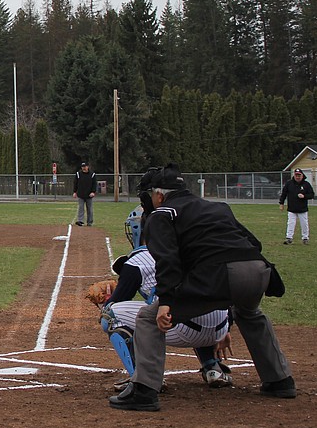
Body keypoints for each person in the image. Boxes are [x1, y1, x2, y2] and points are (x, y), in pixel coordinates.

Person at [109, 164, 295, 412]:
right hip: (258, 271)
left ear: (160, 195)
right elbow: (254, 242)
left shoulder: (161, 214)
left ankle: (144, 390)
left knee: (148, 317)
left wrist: (166, 301)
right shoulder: (216, 206)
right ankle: (280, 380)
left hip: (221, 274)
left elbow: (167, 260)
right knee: (251, 313)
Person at [99, 244, 233, 390]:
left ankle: (145, 379)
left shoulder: (137, 259)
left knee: (110, 315)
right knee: (193, 304)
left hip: (182, 327)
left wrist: (106, 301)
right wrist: (227, 328)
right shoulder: (197, 247)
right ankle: (212, 369)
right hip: (220, 327)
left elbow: (113, 304)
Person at [279, 168, 314, 245]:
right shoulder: (289, 183)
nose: (297, 177)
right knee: (290, 223)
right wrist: (281, 203)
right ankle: (289, 238)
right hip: (291, 209)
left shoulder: (306, 184)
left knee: (304, 224)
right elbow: (284, 193)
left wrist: (304, 196)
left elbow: (311, 195)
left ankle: (305, 238)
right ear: (294, 175)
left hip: (302, 209)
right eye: (296, 175)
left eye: (299, 175)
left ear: (302, 175)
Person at [73, 161, 97, 226]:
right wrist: (75, 192)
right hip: (81, 194)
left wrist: (93, 192)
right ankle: (80, 221)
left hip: (89, 195)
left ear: (87, 167)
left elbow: (94, 184)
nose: (84, 168)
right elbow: (75, 183)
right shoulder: (78, 174)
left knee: (90, 209)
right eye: (82, 167)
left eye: (85, 166)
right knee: (81, 208)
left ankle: (90, 222)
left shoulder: (92, 174)